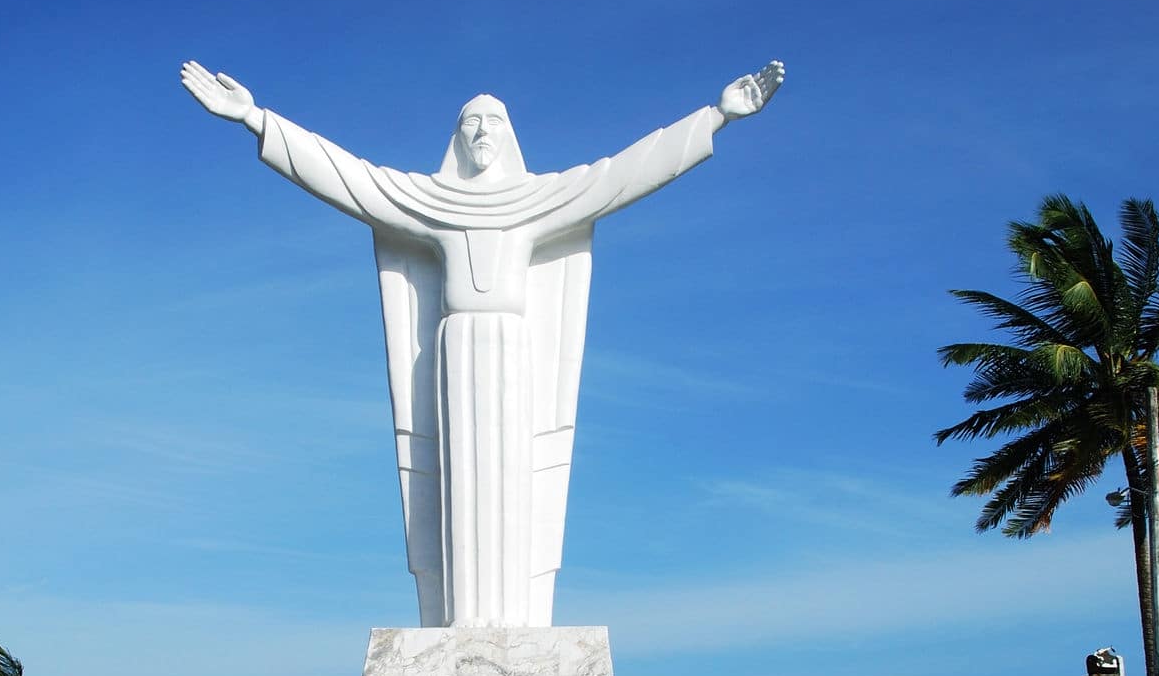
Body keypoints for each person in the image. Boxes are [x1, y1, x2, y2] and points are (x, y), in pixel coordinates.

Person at [181, 60, 784, 628]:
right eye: (470, 122)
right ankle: (463, 618)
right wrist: (256, 118)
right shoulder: (429, 203)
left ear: (510, 133)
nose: (481, 131)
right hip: (456, 349)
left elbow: (625, 173)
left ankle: (514, 617)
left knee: (515, 480)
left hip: (512, 349)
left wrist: (717, 116)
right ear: (456, 137)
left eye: (493, 121)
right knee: (456, 483)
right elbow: (349, 177)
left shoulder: (541, 200)